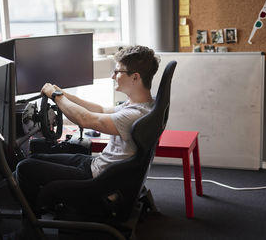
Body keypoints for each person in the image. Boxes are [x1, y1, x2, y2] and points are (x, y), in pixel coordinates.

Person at [16, 45, 160, 211]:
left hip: (99, 179)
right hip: (100, 166)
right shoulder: (142, 104)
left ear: (135, 77)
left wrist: (56, 97)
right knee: (36, 158)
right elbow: (100, 110)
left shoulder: (133, 116)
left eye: (118, 72)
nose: (113, 76)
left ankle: (32, 225)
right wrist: (64, 95)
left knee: (25, 168)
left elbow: (85, 119)